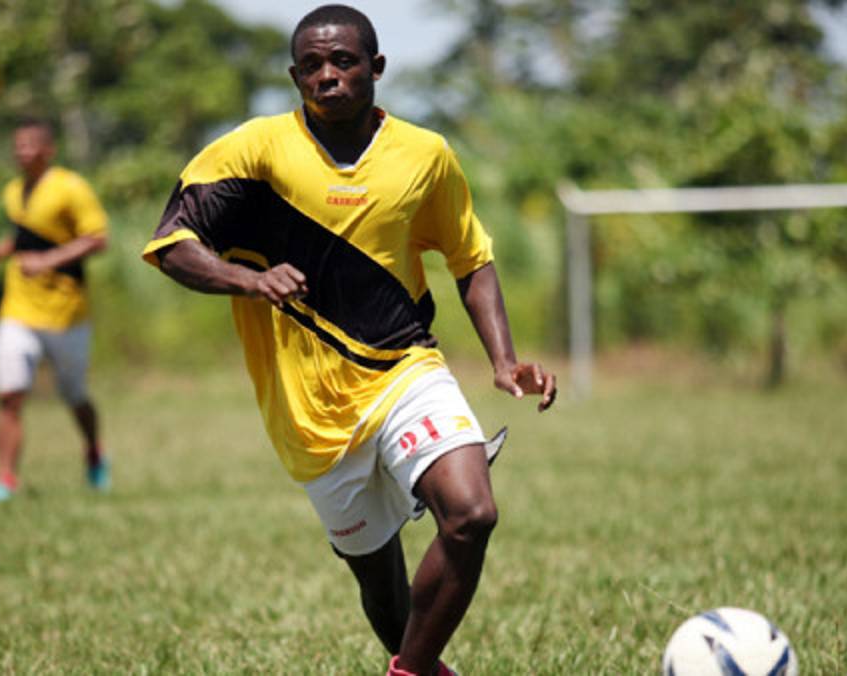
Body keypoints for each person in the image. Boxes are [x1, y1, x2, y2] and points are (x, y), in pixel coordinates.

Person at [141, 5, 556, 674]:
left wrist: (504, 362)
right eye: (311, 65)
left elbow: (470, 258)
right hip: (308, 414)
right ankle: (414, 660)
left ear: (376, 67)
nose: (327, 76)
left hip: (404, 369)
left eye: (343, 62)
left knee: (472, 513)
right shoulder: (252, 151)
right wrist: (246, 280)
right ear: (294, 75)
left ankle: (409, 670)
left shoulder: (426, 155)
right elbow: (172, 244)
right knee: (381, 587)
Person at [0, 118, 110, 504]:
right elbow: (22, 237)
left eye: (30, 145)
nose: (22, 152)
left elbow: (98, 239)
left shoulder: (70, 188)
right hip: (18, 310)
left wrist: (49, 261)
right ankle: (5, 479)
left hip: (67, 314)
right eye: (17, 146)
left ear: (49, 150)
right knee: (10, 395)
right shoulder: (13, 192)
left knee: (75, 396)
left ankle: (94, 453)